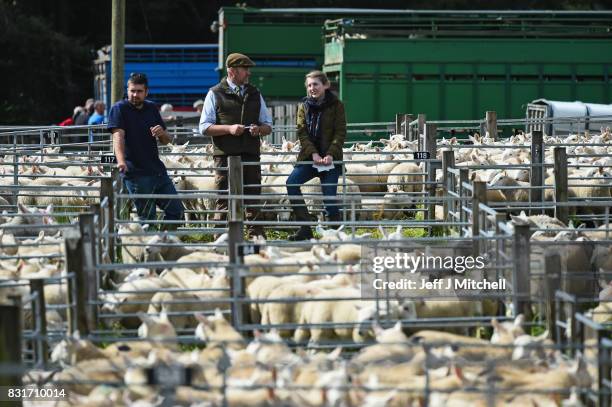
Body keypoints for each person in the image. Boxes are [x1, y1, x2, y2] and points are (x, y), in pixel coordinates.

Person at [199, 53, 272, 239]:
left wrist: (259, 130)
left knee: (253, 198)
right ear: (232, 71)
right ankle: (220, 240)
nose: (248, 73)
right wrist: (229, 129)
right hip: (225, 156)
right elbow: (204, 127)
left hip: (250, 154)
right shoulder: (215, 93)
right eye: (244, 69)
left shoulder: (255, 94)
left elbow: (268, 125)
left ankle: (256, 240)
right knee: (224, 199)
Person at [108, 72, 184, 229]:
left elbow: (166, 140)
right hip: (136, 173)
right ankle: (149, 251)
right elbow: (118, 137)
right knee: (148, 219)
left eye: (139, 91)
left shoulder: (151, 108)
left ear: (146, 92)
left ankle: (163, 245)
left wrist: (162, 133)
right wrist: (121, 161)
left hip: (157, 171)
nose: (135, 95)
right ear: (127, 90)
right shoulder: (119, 109)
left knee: (176, 212)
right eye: (132, 91)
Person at [285, 70, 346, 241]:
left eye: (316, 84)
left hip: (330, 159)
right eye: (309, 85)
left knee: (329, 197)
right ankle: (305, 228)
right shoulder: (303, 106)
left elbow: (340, 132)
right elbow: (301, 132)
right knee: (291, 183)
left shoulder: (337, 105)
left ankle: (335, 234)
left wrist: (330, 155)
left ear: (325, 85)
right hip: (309, 158)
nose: (312, 88)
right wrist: (313, 153)